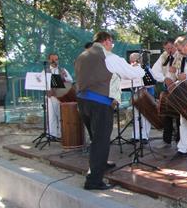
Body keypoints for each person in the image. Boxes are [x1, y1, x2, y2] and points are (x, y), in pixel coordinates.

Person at [75, 31, 144, 190]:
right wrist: (138, 67)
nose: (112, 46)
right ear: (106, 41)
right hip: (99, 102)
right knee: (101, 141)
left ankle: (102, 164)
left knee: (95, 137)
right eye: (111, 42)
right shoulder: (109, 57)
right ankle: (93, 181)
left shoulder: (83, 55)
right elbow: (133, 73)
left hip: (82, 100)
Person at [151, 39, 183, 147]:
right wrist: (164, 79)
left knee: (179, 115)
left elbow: (186, 72)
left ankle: (180, 141)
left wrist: (176, 74)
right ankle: (167, 140)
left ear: (175, 45)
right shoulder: (163, 56)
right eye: (167, 49)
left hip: (179, 87)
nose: (169, 50)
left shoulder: (181, 54)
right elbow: (154, 71)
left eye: (171, 48)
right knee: (166, 113)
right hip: (167, 87)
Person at [44, 53, 73, 139]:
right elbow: (41, 82)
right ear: (49, 60)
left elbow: (70, 80)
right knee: (51, 116)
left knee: (61, 116)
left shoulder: (62, 69)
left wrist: (65, 77)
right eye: (53, 60)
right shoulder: (45, 71)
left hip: (61, 97)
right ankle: (52, 135)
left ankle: (62, 134)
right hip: (51, 96)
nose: (55, 61)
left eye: (56, 59)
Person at [129, 52, 153, 143]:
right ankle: (135, 136)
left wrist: (144, 86)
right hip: (136, 95)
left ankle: (144, 136)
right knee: (136, 115)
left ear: (139, 60)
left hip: (146, 95)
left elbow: (152, 83)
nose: (131, 62)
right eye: (130, 60)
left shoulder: (146, 69)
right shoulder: (130, 70)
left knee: (145, 116)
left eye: (133, 60)